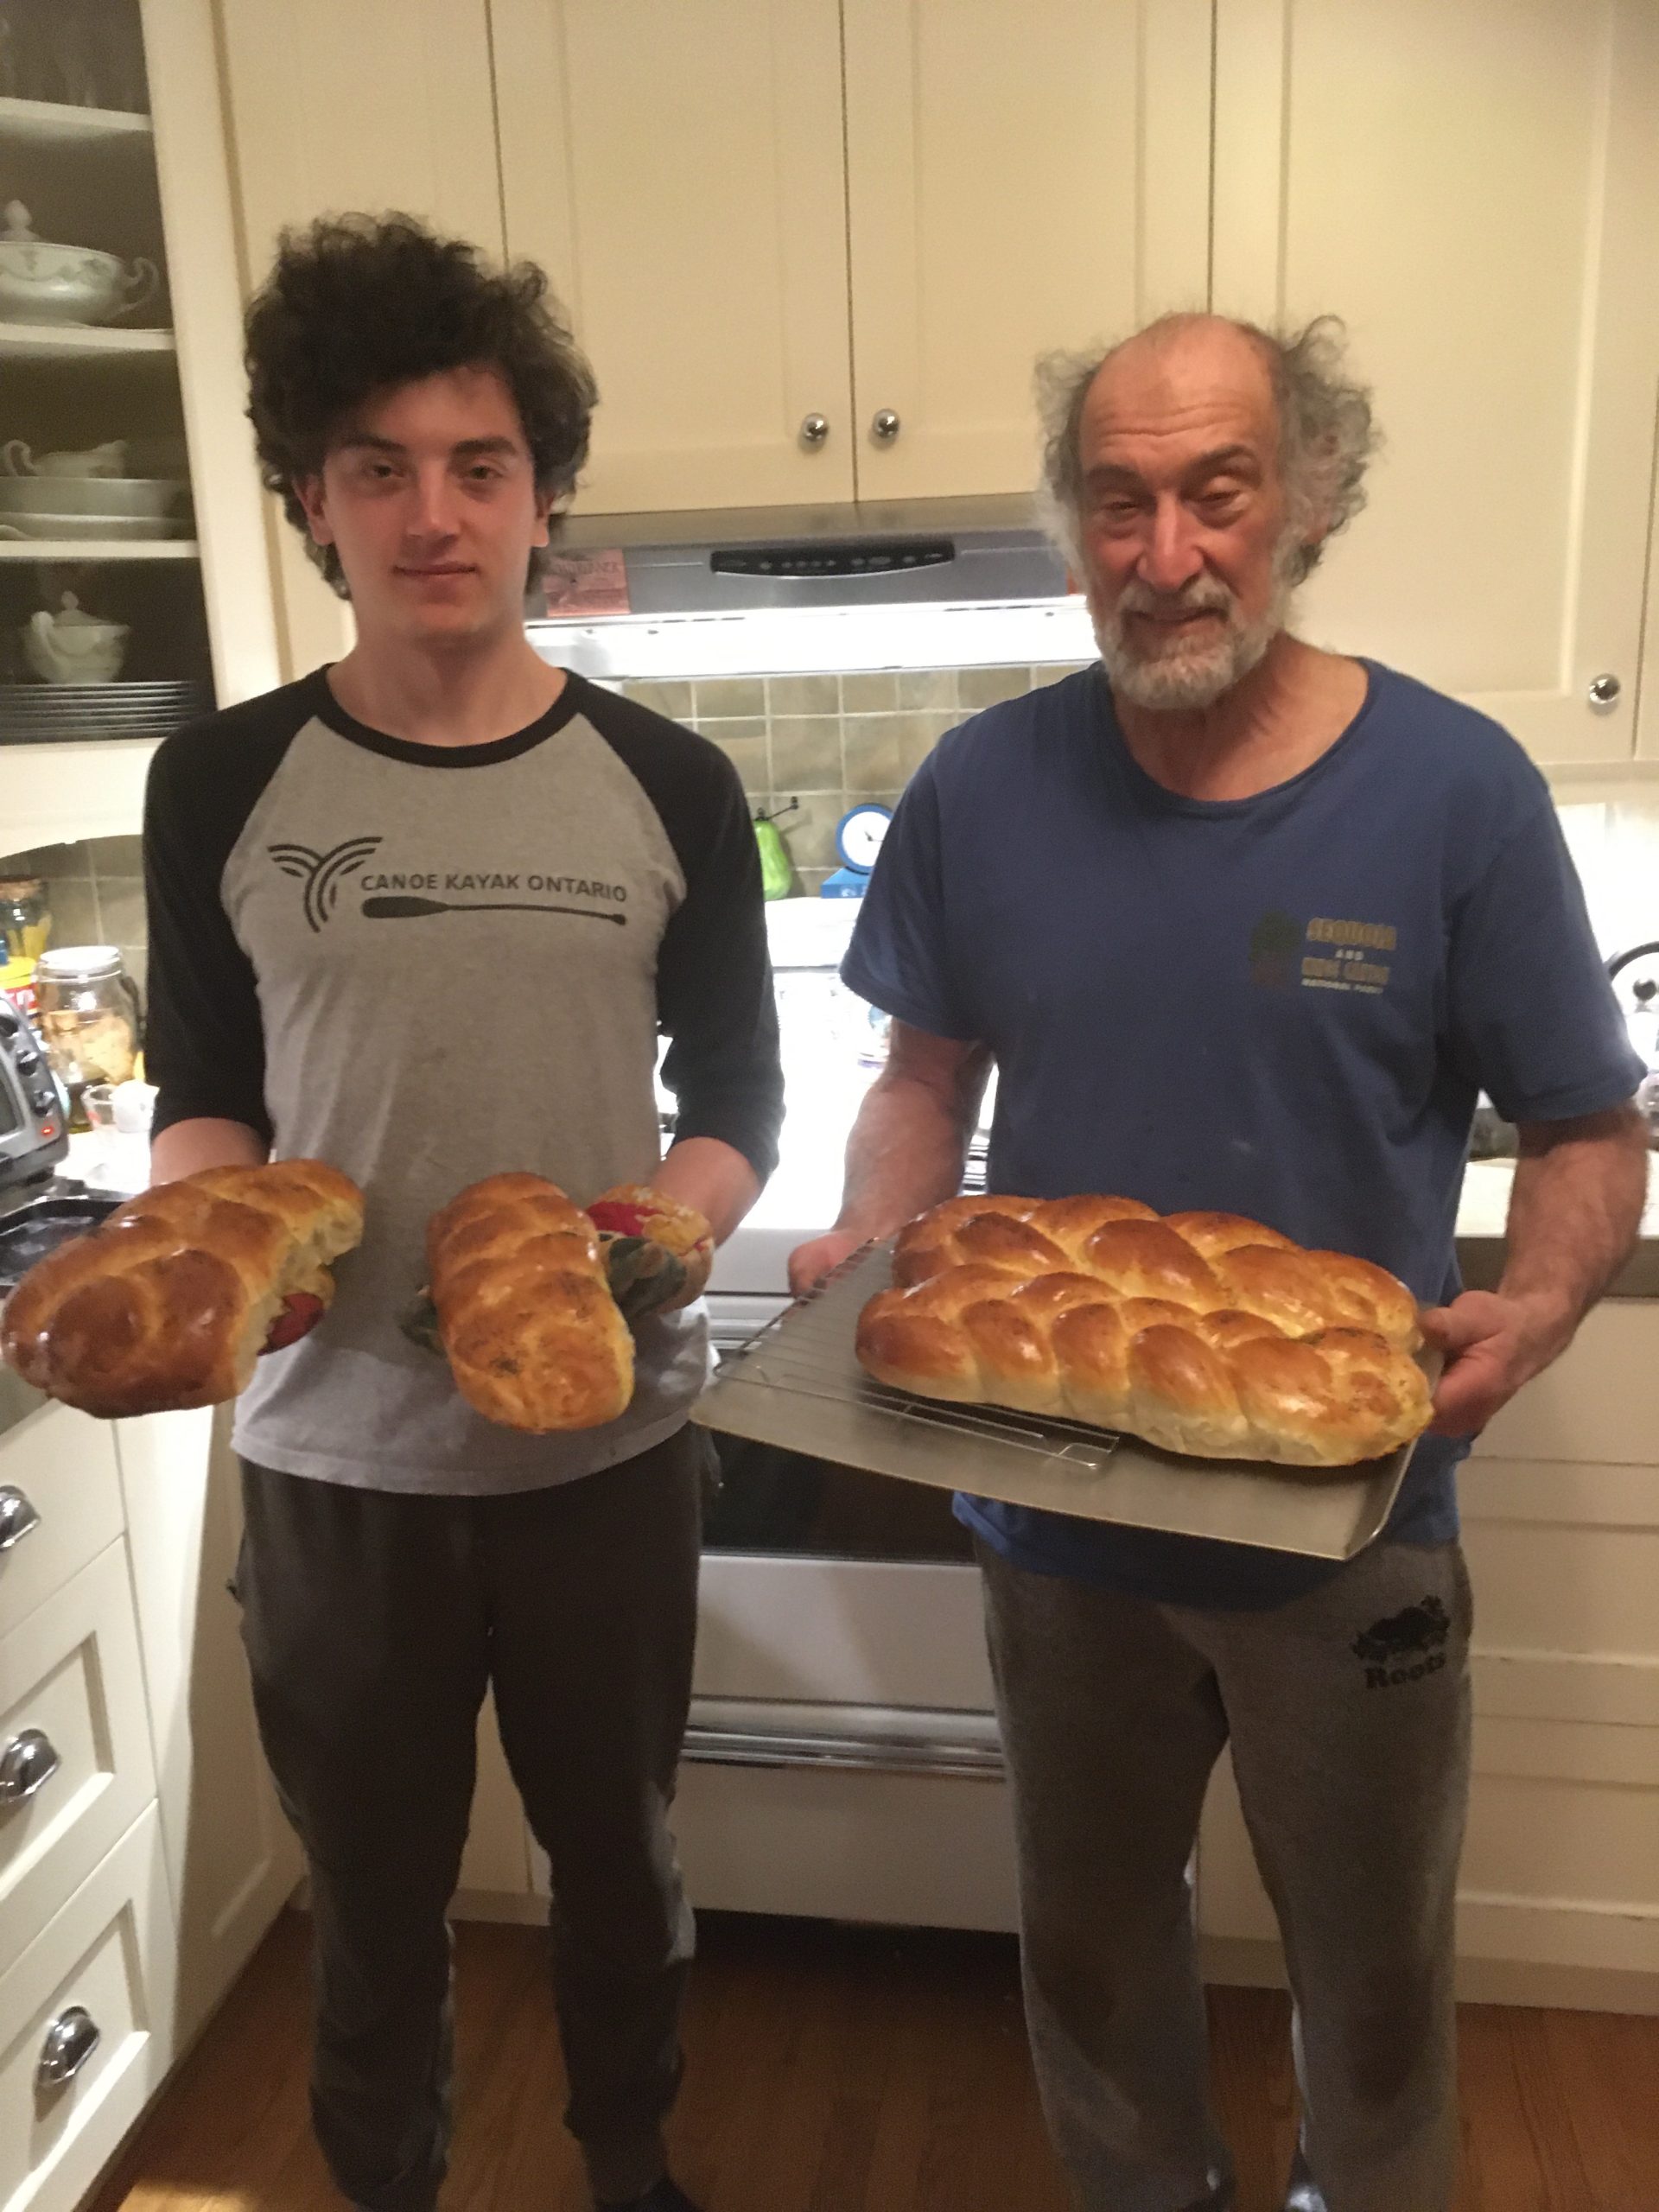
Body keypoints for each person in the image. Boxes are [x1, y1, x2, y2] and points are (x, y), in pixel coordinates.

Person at [790, 312, 1649, 2212]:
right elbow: (922, 1081)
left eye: (1215, 490)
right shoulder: (979, 791)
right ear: (1074, 523)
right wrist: (877, 1219)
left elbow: (1594, 1124)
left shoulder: (1457, 791)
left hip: (1352, 1523)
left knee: (1373, 1978)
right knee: (1089, 1956)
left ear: (1311, 496)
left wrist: (1550, 1297)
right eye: (1119, 499)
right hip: (1052, 1523)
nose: (1163, 550)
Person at [144, 213, 783, 2212]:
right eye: (379, 468)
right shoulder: (221, 780)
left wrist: (659, 1227)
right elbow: (204, 1095)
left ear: (547, 494)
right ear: (311, 503)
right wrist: (208, 1242)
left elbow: (740, 1104)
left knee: (624, 1858)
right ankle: (386, 2181)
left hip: (604, 1446)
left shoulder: (667, 781)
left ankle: (627, 2161)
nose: (436, 514)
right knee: (373, 1892)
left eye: (480, 465)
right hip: (336, 1461)